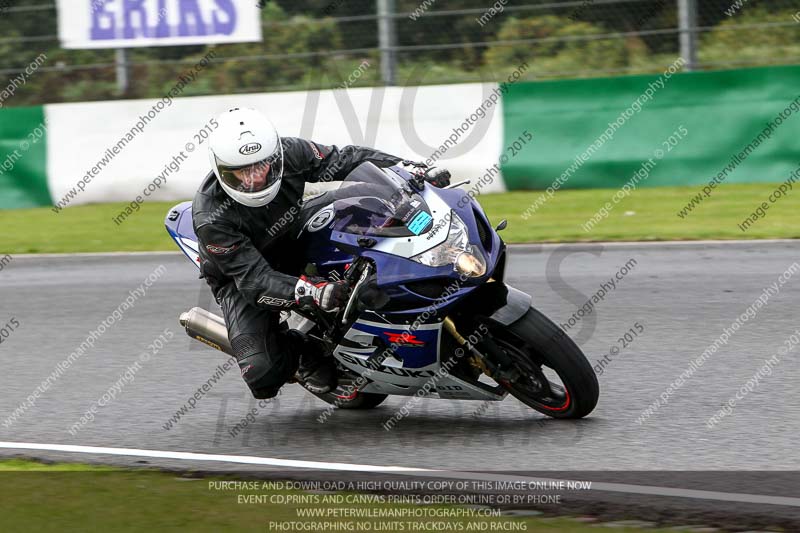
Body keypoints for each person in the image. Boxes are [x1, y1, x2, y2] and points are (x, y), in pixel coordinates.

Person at [193, 107, 451, 399]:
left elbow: (345, 159)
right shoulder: (211, 218)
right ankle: (303, 353)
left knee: (373, 196)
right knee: (262, 374)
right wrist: (312, 291)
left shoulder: (291, 151)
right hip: (241, 274)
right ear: (222, 170)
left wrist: (407, 168)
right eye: (243, 171)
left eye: (261, 166)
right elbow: (254, 280)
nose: (255, 178)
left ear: (274, 157)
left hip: (293, 228)